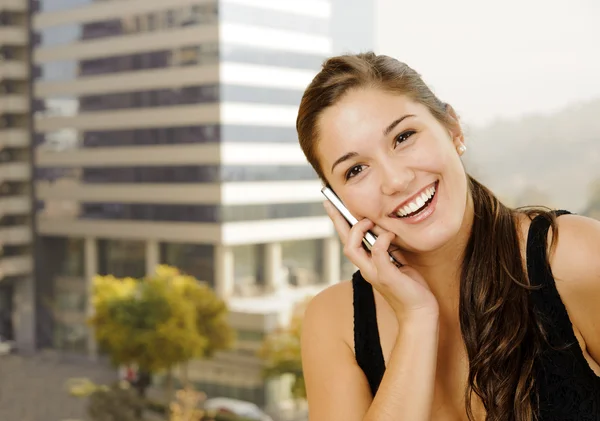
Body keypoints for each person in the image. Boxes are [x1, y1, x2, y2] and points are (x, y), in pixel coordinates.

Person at [296, 52, 600, 421]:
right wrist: (417, 319)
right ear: (337, 202)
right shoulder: (334, 322)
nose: (396, 180)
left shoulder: (572, 256)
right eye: (356, 169)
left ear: (452, 128)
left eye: (403, 137)